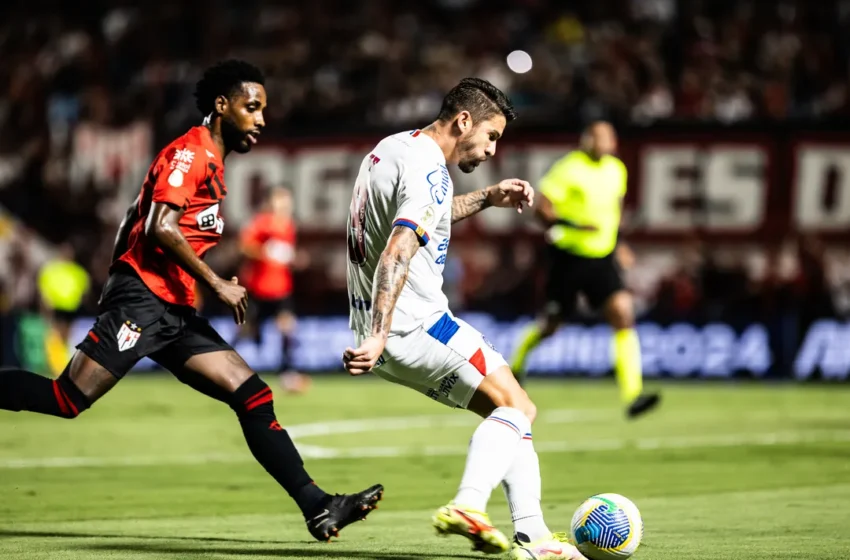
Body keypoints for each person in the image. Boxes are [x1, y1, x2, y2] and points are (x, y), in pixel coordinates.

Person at [0, 60, 382, 541]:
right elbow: (159, 226)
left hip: (173, 308)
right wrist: (214, 283)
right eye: (252, 107)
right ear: (222, 106)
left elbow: (132, 218)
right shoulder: (190, 153)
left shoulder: (213, 162)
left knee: (253, 394)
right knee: (68, 398)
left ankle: (318, 505)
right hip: (141, 301)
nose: (261, 119)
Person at [343, 77, 587, 560]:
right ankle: (470, 505)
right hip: (416, 323)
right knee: (519, 408)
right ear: (464, 121)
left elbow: (426, 217)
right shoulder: (432, 169)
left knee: (508, 414)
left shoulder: (394, 147)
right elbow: (398, 248)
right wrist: (378, 333)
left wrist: (487, 197)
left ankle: (535, 539)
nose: (493, 149)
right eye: (492, 136)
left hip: (393, 333)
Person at [509, 121, 660, 419]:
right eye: (599, 136)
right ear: (587, 139)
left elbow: (612, 214)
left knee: (622, 313)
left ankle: (633, 395)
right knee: (551, 324)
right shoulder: (568, 169)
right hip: (568, 258)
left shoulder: (617, 170)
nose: (605, 142)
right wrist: (573, 226)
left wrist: (618, 245)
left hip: (602, 258)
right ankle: (516, 367)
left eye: (609, 136)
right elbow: (543, 209)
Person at [239, 186, 311, 393]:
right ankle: (223, 364)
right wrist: (265, 252)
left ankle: (288, 373)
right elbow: (244, 246)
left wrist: (294, 259)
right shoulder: (261, 223)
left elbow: (284, 255)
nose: (285, 205)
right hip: (259, 288)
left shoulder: (288, 225)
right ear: (271, 202)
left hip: (281, 289)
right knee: (247, 332)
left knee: (287, 328)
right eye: (280, 201)